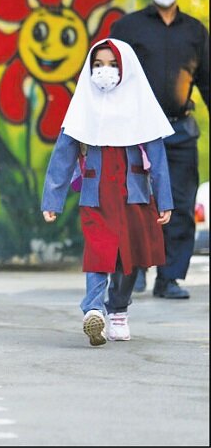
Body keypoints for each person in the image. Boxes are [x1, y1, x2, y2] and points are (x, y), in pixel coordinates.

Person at [42, 39, 174, 346]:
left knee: (131, 259)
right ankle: (93, 310)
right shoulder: (83, 105)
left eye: (112, 64)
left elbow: (158, 156)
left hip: (134, 196)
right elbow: (64, 153)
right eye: (98, 65)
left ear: (126, 68)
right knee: (99, 252)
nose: (105, 71)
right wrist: (53, 199)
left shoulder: (142, 106)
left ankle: (118, 310)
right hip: (95, 194)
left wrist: (164, 199)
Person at [110, 0, 209, 299]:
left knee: (179, 205)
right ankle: (132, 270)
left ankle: (169, 277)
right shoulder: (127, 28)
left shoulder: (196, 31)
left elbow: (207, 81)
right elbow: (106, 78)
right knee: (133, 202)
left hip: (180, 131)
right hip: (135, 133)